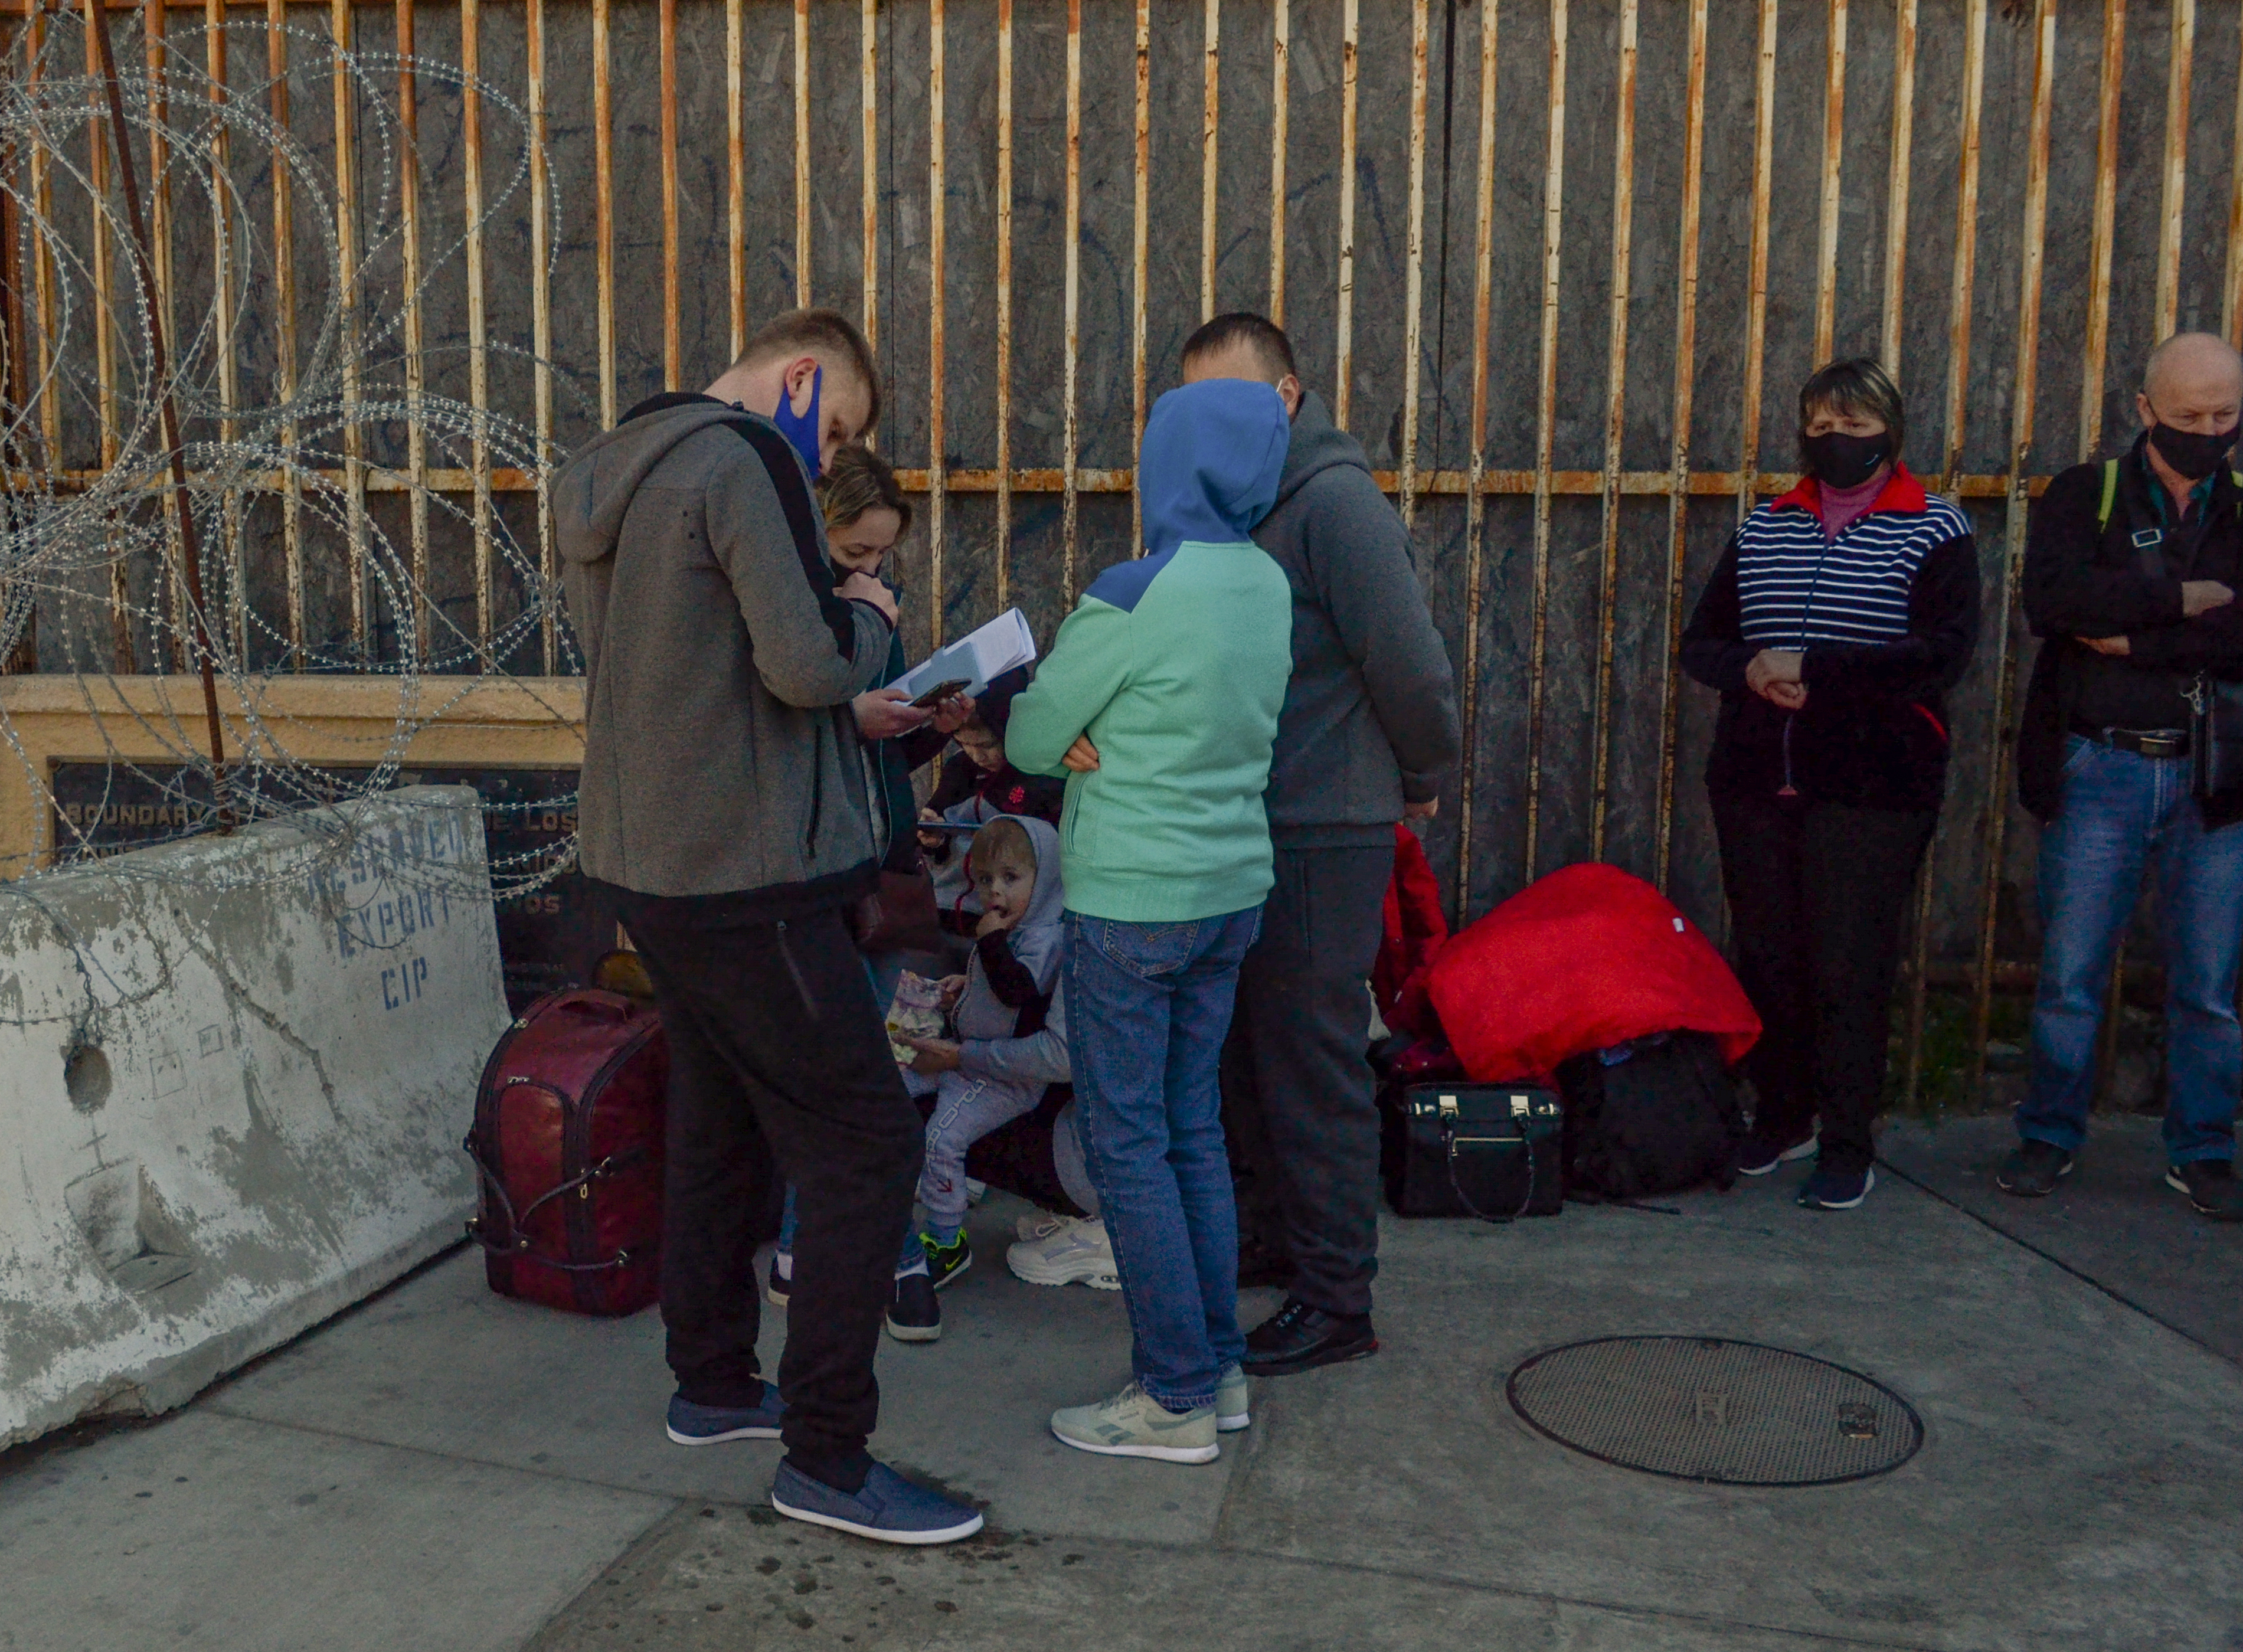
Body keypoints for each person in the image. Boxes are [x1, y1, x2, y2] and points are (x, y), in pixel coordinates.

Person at [554, 306, 984, 1545]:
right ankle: (830, 1457)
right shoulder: (745, 460)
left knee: (722, 1111)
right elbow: (803, 667)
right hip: (747, 873)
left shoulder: (617, 463)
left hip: (647, 861)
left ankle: (712, 1379)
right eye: (834, 423)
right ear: (801, 382)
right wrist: (868, 614)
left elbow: (677, 667)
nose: (825, 448)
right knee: (862, 1144)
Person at [1007, 376, 1294, 1464]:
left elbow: (1034, 735)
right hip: (1230, 892)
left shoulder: (1135, 589)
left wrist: (1084, 729)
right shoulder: (1268, 584)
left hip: (1133, 899)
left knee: (1127, 1143)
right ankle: (1214, 1368)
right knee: (1191, 1131)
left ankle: (1170, 1393)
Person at [1179, 313, 1460, 1374]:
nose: (1210, 427)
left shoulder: (1335, 503)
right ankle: (1277, 1242)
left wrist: (1419, 777)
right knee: (1253, 1054)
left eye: (1232, 402)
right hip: (1254, 817)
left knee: (1312, 1063)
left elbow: (1412, 666)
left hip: (1322, 824)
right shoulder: (1243, 503)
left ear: (1289, 397)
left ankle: (1339, 1297)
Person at [1680, 356, 1980, 1212]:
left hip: (1873, 786)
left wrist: (1818, 667)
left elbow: (1941, 654)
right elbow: (1702, 644)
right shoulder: (1766, 524)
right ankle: (1784, 1113)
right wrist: (1755, 669)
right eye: (1821, 424)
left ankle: (1849, 1139)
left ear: (1890, 431)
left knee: (1850, 964)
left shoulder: (1936, 527)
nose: (1835, 439)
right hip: (1753, 777)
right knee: (1770, 956)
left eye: (1855, 424)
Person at [2003, 332, 2243, 1221]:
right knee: (2071, 971)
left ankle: (2205, 1148)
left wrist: (2138, 635)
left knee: (2209, 983)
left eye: (2226, 416)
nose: (2208, 431)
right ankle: (2051, 1131)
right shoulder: (2084, 494)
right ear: (2145, 410)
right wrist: (2183, 600)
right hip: (2101, 763)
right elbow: (2055, 604)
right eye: (2188, 416)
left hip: (2215, 778)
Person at [761, 443, 970, 1315]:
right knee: (853, 1077)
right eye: (857, 553)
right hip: (820, 871)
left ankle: (814, 1248)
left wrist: (935, 725)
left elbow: (881, 750)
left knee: (877, 1070)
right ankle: (852, 1253)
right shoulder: (791, 617)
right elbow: (790, 739)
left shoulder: (872, 608)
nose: (874, 570)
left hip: (885, 865)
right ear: (817, 536)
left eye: (885, 555)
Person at [884, 814, 1072, 1340]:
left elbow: (1017, 991)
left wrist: (989, 946)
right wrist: (959, 984)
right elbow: (992, 985)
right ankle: (901, 1205)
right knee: (898, 1089)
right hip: (967, 1060)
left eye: (1012, 878)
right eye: (987, 879)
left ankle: (947, 1240)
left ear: (1048, 876)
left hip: (1006, 1079)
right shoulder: (1014, 929)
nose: (996, 891)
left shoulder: (1045, 937)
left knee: (943, 1137)